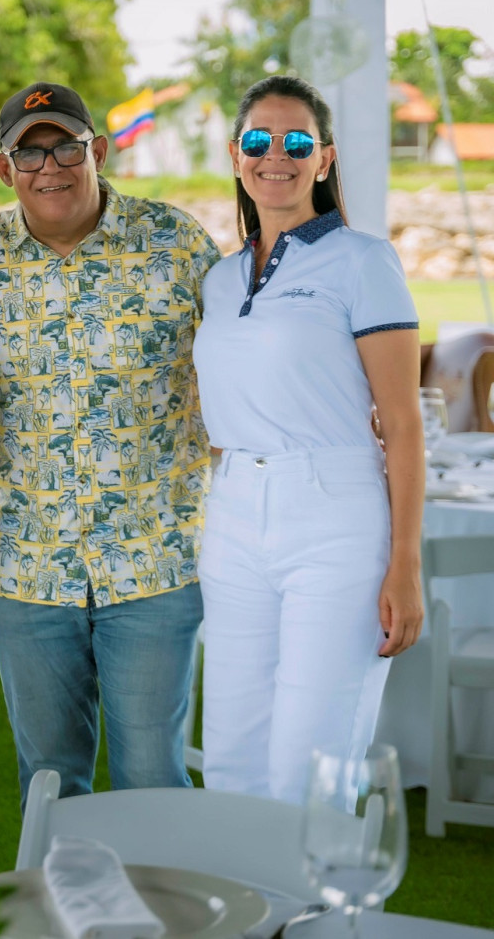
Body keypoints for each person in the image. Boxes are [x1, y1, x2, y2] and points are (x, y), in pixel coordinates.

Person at [0, 81, 222, 808]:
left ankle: (161, 922)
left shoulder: (178, 245)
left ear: (97, 148)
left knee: (151, 776)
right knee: (49, 782)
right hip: (28, 569)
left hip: (156, 562)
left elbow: (247, 365)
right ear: (4, 171)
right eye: (27, 153)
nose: (50, 166)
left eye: (64, 145)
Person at [192, 75, 425, 804]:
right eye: (259, 141)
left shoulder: (363, 260)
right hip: (232, 518)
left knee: (311, 761)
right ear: (236, 155)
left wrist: (405, 564)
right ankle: (248, 917)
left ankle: (324, 918)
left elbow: (405, 424)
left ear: (324, 159)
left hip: (335, 517)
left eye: (297, 142)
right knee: (230, 756)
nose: (277, 157)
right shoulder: (222, 280)